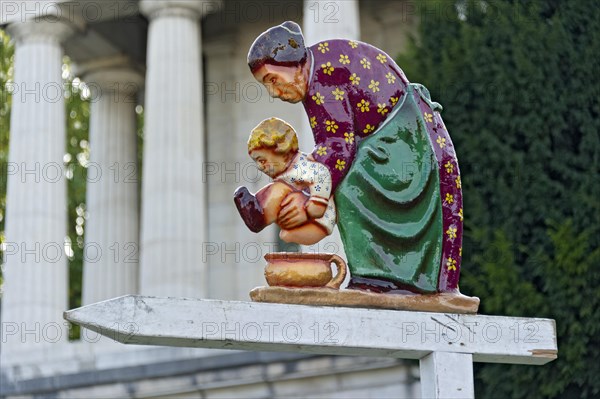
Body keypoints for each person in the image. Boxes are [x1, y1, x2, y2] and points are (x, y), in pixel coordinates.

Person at [247, 21, 463, 294]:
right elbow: (335, 144)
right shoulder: (316, 71)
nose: (273, 92)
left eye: (272, 80)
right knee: (340, 179)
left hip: (402, 144)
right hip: (396, 137)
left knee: (349, 185)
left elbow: (339, 149)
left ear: (291, 64)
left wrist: (304, 192)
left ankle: (378, 279)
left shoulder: (322, 78)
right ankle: (383, 278)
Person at [234, 117, 336, 246]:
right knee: (285, 235)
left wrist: (316, 204)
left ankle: (258, 214)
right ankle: (256, 212)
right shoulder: (287, 172)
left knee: (278, 190)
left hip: (319, 221)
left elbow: (322, 174)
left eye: (262, 160)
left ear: (283, 152)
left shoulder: (300, 166)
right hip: (311, 223)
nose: (260, 167)